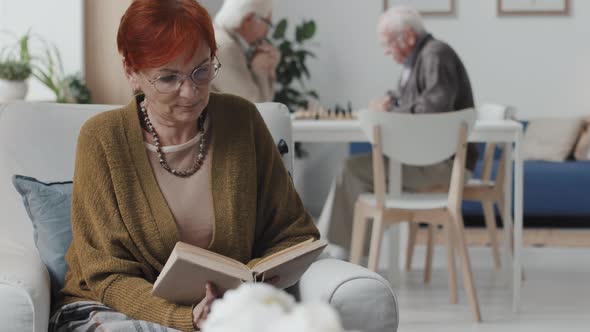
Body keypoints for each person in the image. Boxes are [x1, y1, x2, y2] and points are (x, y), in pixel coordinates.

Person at [50, 1, 318, 331]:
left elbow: (295, 232)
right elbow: (106, 273)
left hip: (226, 309)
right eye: (168, 78)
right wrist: (184, 317)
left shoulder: (243, 120)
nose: (190, 92)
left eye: (201, 71)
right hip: (113, 306)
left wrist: (248, 284)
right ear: (132, 73)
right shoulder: (102, 140)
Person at [323, 6, 478, 256]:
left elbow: (434, 108)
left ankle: (344, 252)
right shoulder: (421, 58)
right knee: (360, 171)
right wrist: (389, 100)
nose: (386, 51)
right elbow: (412, 98)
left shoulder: (435, 55)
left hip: (445, 165)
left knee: (352, 169)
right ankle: (351, 250)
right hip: (430, 160)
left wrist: (389, 112)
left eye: (388, 44)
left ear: (407, 36)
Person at [211, 0, 280, 102]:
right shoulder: (225, 47)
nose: (266, 32)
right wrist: (260, 69)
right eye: (267, 23)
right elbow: (255, 107)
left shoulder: (222, 39)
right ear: (249, 19)